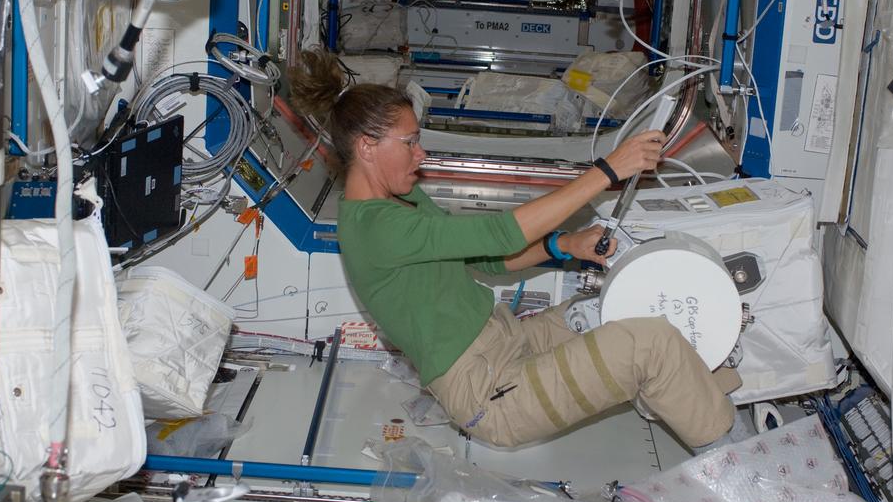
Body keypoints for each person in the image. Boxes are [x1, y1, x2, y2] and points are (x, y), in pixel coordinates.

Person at [291, 49, 737, 450]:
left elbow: (490, 259)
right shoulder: (375, 227)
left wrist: (566, 245)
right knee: (648, 344)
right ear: (367, 147)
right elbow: (498, 235)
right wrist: (605, 171)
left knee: (618, 306)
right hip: (489, 391)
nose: (421, 154)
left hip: (508, 341)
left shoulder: (401, 198)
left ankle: (713, 396)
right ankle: (734, 467)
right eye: (410, 143)